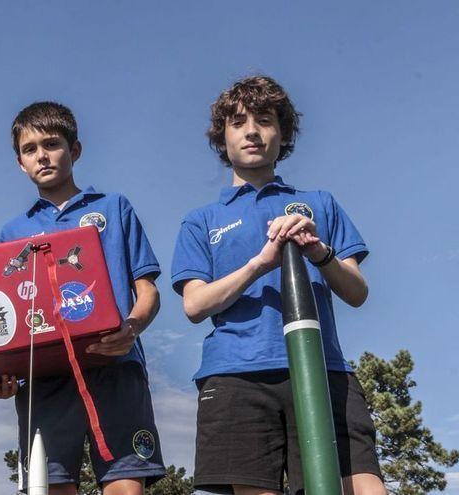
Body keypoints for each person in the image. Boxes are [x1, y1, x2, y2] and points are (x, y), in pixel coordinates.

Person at [170, 75, 386, 495]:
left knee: (363, 488)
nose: (252, 131)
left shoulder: (320, 203)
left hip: (324, 371)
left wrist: (318, 252)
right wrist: (259, 264)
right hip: (237, 376)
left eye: (265, 120)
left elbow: (357, 292)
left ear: (282, 133)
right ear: (222, 137)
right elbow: (195, 306)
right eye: (238, 122)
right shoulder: (200, 221)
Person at [0, 101, 166, 495]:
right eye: (30, 149)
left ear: (75, 150)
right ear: (20, 163)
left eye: (51, 144)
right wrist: (4, 373)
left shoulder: (114, 208)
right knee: (52, 486)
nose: (42, 156)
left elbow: (148, 290)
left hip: (115, 366)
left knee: (124, 485)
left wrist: (131, 327)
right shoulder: (12, 232)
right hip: (45, 378)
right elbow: (9, 323)